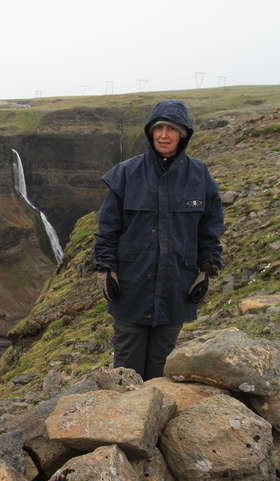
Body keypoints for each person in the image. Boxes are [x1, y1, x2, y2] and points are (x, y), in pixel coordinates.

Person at [94, 99, 224, 380]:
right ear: (150, 132)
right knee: (127, 367)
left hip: (177, 288)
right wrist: (106, 269)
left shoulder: (200, 177)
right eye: (159, 128)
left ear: (183, 135)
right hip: (131, 289)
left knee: (162, 369)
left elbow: (210, 229)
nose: (164, 135)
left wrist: (206, 269)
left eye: (172, 129)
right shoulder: (125, 175)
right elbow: (107, 227)